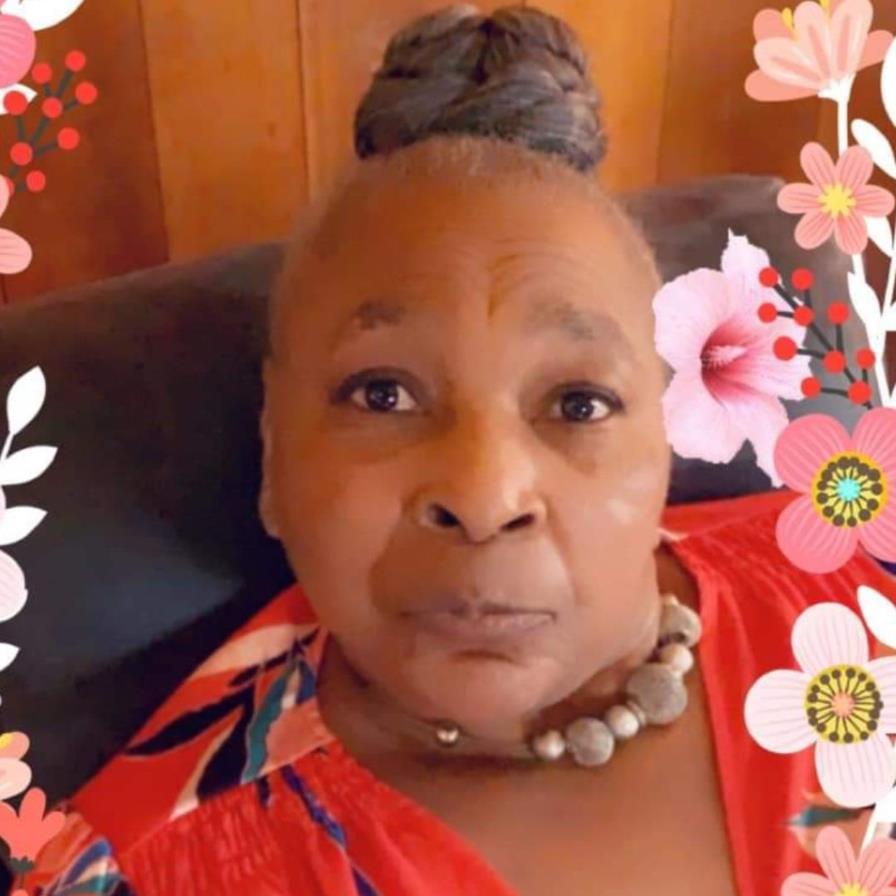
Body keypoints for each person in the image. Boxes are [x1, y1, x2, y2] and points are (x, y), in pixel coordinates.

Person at [18, 5, 896, 896]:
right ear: (275, 455)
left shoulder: (862, 576)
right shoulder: (146, 872)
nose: (484, 493)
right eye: (383, 395)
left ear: (666, 440)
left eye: (579, 403)